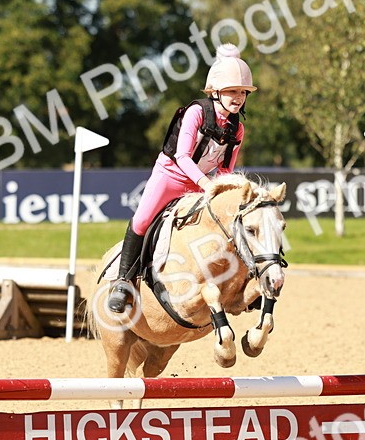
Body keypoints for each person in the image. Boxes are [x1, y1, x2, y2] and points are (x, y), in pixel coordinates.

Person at [106, 43, 257, 314]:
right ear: (215, 91)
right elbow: (182, 156)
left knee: (229, 224)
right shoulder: (196, 112)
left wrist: (225, 193)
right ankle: (123, 282)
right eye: (233, 91)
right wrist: (205, 184)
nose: (239, 97)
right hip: (170, 176)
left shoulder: (238, 128)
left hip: (201, 185)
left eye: (243, 92)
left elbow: (225, 170)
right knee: (142, 220)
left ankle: (238, 284)